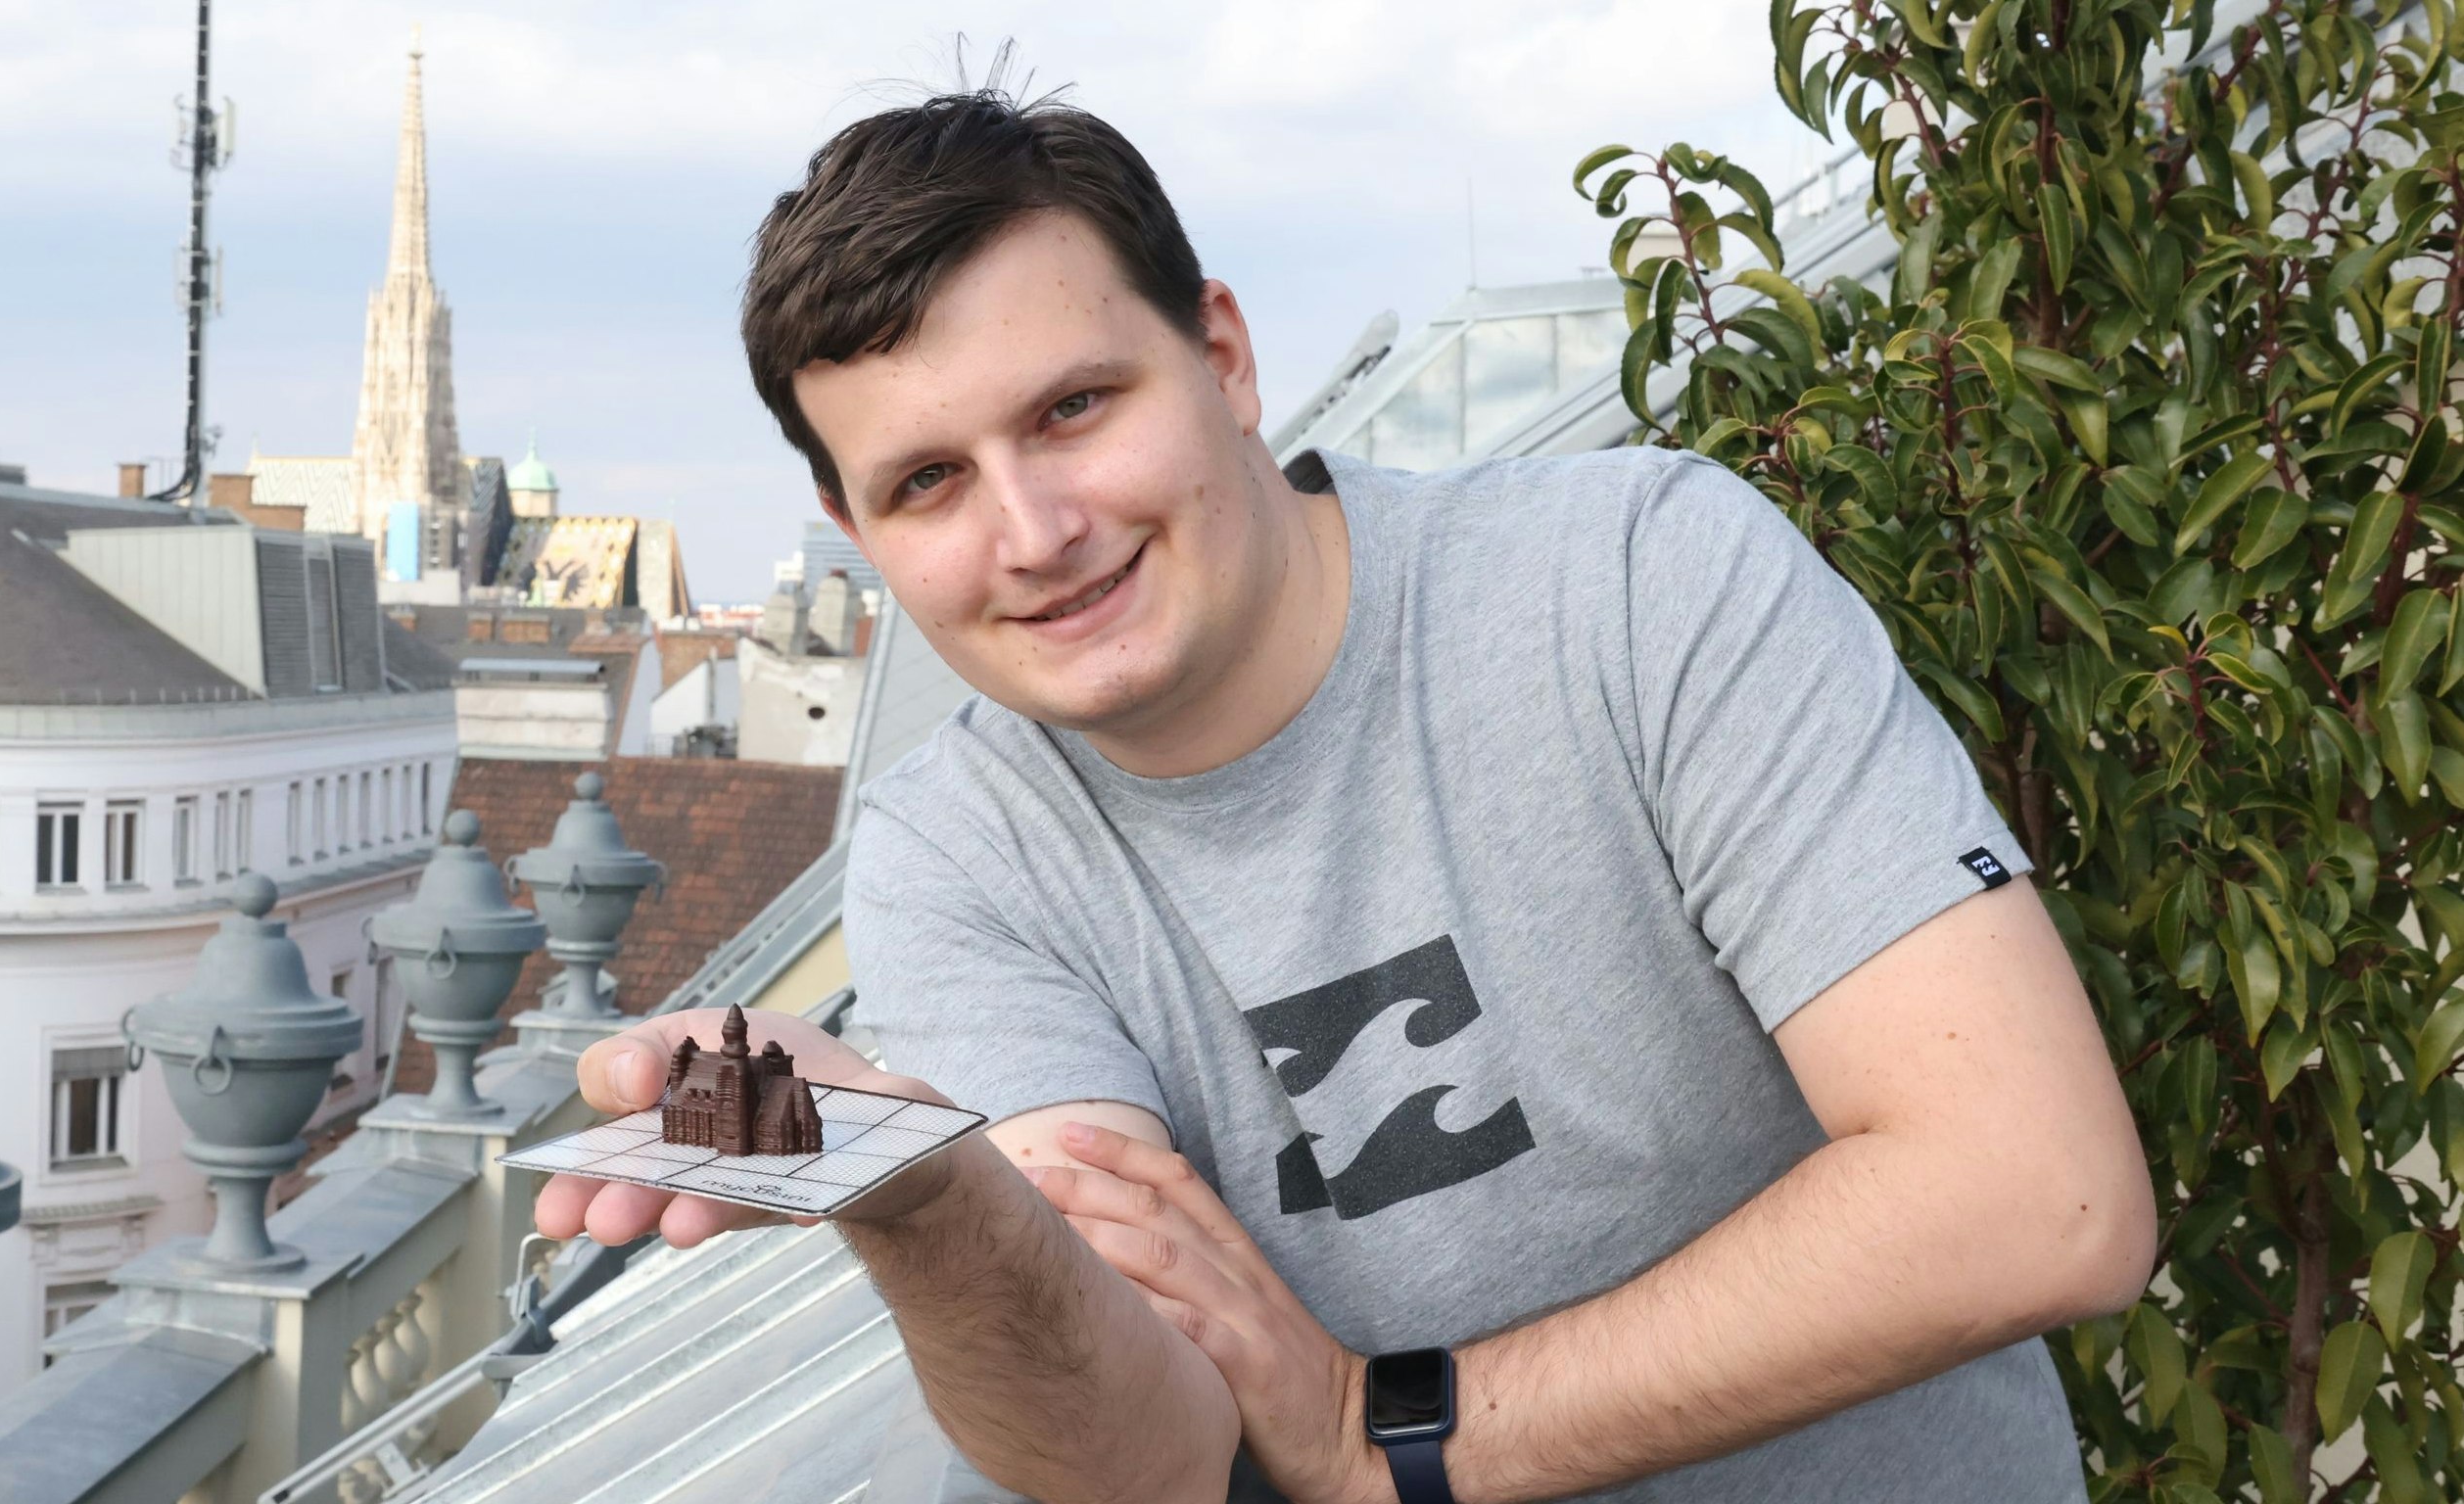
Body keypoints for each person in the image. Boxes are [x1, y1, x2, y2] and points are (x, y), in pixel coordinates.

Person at [535, 88, 2155, 1504]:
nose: (1031, 533)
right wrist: (920, 1193)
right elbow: (1142, 1459)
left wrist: (1389, 1438)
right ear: (856, 534)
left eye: (1072, 409)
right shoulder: (961, 858)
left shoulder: (1633, 581)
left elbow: (2040, 1199)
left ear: (1224, 358)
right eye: (929, 482)